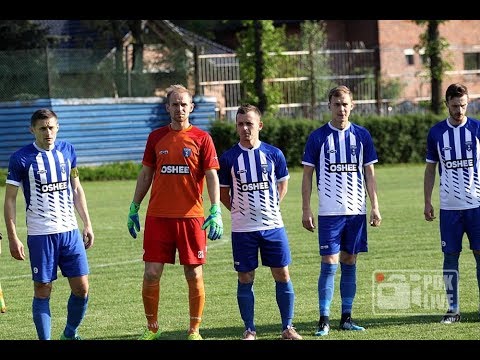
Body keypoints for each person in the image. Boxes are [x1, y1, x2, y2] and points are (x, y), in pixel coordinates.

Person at [127, 84, 223, 341]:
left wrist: (215, 209)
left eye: (184, 104)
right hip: (158, 217)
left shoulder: (203, 139)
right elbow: (146, 173)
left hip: (191, 217)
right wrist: (135, 206)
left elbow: (212, 175)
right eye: (175, 104)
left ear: (191, 107)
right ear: (167, 107)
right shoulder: (155, 137)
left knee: (193, 273)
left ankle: (194, 329)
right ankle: (151, 328)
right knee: (151, 273)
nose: (179, 109)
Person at [3, 108, 94, 340]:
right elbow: (10, 199)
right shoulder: (20, 158)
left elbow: (76, 188)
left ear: (58, 127)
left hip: (70, 233)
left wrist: (87, 224)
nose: (48, 133)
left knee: (82, 289)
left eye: (51, 127)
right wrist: (13, 237)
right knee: (43, 290)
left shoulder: (68, 151)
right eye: (42, 128)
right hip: (41, 234)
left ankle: (70, 333)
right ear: (32, 129)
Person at [301, 85, 381, 336]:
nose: (341, 109)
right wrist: (306, 209)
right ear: (330, 106)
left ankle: (346, 317)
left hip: (356, 212)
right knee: (329, 263)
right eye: (337, 104)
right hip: (329, 213)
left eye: (345, 104)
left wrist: (375, 206)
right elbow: (306, 177)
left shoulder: (362, 135)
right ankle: (323, 318)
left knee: (350, 261)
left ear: (352, 105)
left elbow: (369, 174)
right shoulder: (318, 137)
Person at [218, 103, 303, 340]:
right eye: (240, 124)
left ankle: (287, 327)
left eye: (249, 124)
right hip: (243, 229)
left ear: (260, 126)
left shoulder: (274, 154)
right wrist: (237, 210)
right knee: (245, 277)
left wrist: (273, 205)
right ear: (236, 127)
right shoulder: (229, 158)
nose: (245, 128)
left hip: (273, 226)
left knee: (282, 274)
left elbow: (283, 184)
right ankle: (249, 329)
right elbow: (224, 193)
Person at [424, 83, 480, 324]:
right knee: (450, 256)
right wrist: (427, 200)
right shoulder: (436, 133)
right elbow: (430, 169)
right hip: (449, 208)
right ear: (446, 103)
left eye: (464, 105)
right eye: (455, 105)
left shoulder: (477, 129)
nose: (459, 110)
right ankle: (453, 309)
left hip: (477, 205)